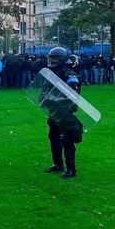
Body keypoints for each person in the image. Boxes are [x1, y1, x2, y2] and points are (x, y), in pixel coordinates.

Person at [42, 47, 84, 178]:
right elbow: (44, 91)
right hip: (54, 112)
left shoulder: (70, 75)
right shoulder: (51, 74)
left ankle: (71, 169)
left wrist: (55, 101)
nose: (53, 60)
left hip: (65, 112)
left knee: (66, 138)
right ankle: (58, 164)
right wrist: (44, 99)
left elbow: (72, 95)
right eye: (52, 57)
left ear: (62, 59)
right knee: (53, 137)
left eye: (55, 58)